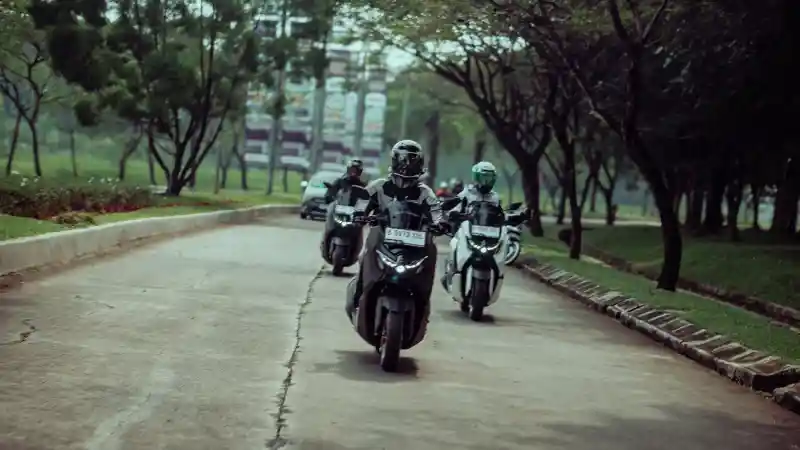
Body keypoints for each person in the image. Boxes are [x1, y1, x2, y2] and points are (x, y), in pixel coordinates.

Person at [346, 139, 448, 319]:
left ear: (420, 163)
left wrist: (440, 222)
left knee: (432, 250)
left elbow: (436, 210)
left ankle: (423, 303)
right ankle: (358, 297)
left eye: (411, 160)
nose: (406, 165)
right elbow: (363, 200)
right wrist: (359, 213)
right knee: (365, 255)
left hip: (415, 243)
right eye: (402, 159)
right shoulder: (379, 186)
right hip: (383, 237)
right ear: (394, 160)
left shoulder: (425, 192)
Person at [441, 161, 501, 287]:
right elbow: (455, 205)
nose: (486, 181)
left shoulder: (495, 197)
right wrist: (451, 212)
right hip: (468, 229)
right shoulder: (467, 193)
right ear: (476, 177)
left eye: (489, 178)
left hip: (489, 233)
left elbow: (500, 214)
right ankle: (450, 271)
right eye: (483, 178)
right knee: (455, 244)